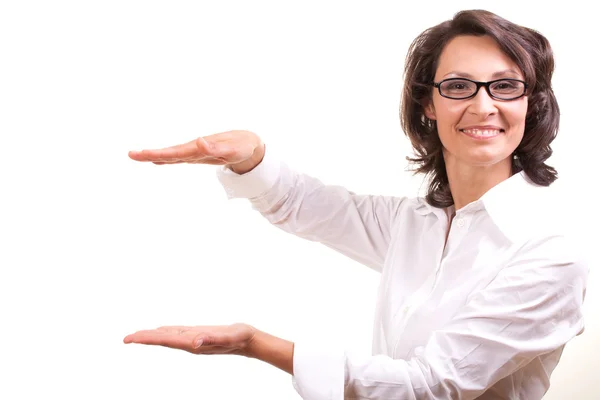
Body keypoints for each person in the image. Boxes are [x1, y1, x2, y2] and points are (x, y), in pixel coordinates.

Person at [123, 9, 589, 400]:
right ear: (428, 103)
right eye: (459, 86)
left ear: (531, 103)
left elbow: (428, 386)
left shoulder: (549, 253)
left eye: (505, 86)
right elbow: (305, 205)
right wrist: (253, 157)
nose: (484, 105)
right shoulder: (418, 221)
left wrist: (254, 344)